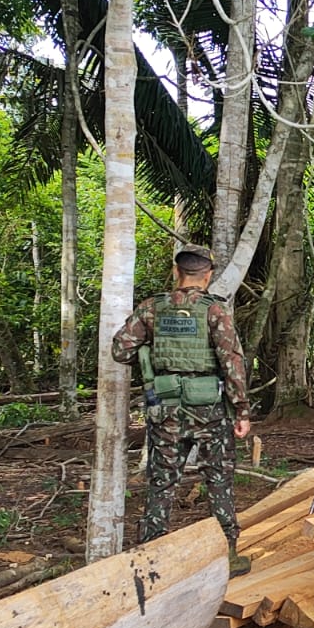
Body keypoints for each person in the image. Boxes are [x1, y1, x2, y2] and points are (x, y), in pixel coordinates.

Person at [113, 244, 253, 577]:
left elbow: (121, 350)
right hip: (209, 411)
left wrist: (152, 356)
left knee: (162, 482)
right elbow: (232, 362)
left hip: (167, 409)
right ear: (208, 275)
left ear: (177, 272)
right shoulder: (214, 311)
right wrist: (242, 411)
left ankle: (151, 560)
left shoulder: (153, 308)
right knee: (218, 480)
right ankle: (228, 555)